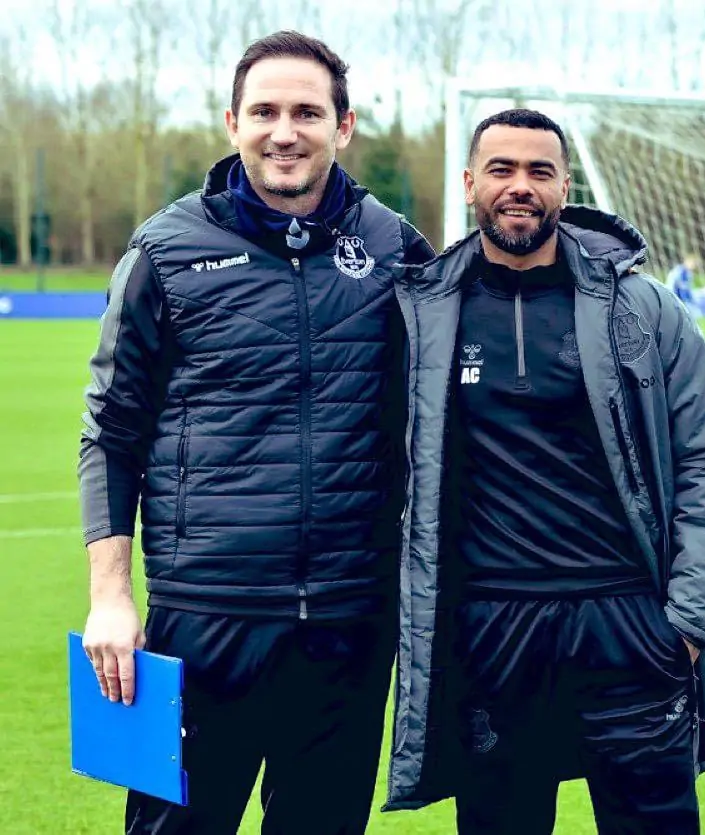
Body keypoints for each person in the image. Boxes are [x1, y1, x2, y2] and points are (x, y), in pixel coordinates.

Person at [384, 109, 705, 833]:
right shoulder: (422, 313)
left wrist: (687, 623)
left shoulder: (643, 307)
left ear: (564, 187)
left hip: (626, 623)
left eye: (539, 171)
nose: (520, 185)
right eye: (502, 169)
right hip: (491, 629)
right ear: (470, 182)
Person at [78, 30, 433, 835]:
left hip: (349, 620)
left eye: (307, 112)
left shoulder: (393, 248)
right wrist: (110, 596)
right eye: (265, 111)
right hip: (206, 616)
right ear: (233, 122)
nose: (285, 131)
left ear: (343, 126)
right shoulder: (165, 249)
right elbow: (111, 430)